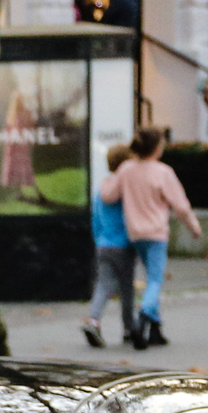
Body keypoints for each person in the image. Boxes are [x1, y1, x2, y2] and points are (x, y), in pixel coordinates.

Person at [98, 125, 200, 350]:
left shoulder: (126, 169)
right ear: (156, 148)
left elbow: (108, 195)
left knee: (151, 276)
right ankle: (143, 318)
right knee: (155, 279)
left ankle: (156, 329)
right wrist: (193, 226)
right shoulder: (163, 172)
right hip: (156, 234)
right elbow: (180, 206)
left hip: (134, 234)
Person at [82, 144, 136, 349]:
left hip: (103, 245)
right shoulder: (123, 190)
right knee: (127, 288)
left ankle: (93, 320)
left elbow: (96, 219)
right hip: (123, 245)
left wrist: (98, 240)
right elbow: (129, 216)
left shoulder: (101, 189)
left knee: (103, 285)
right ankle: (129, 328)